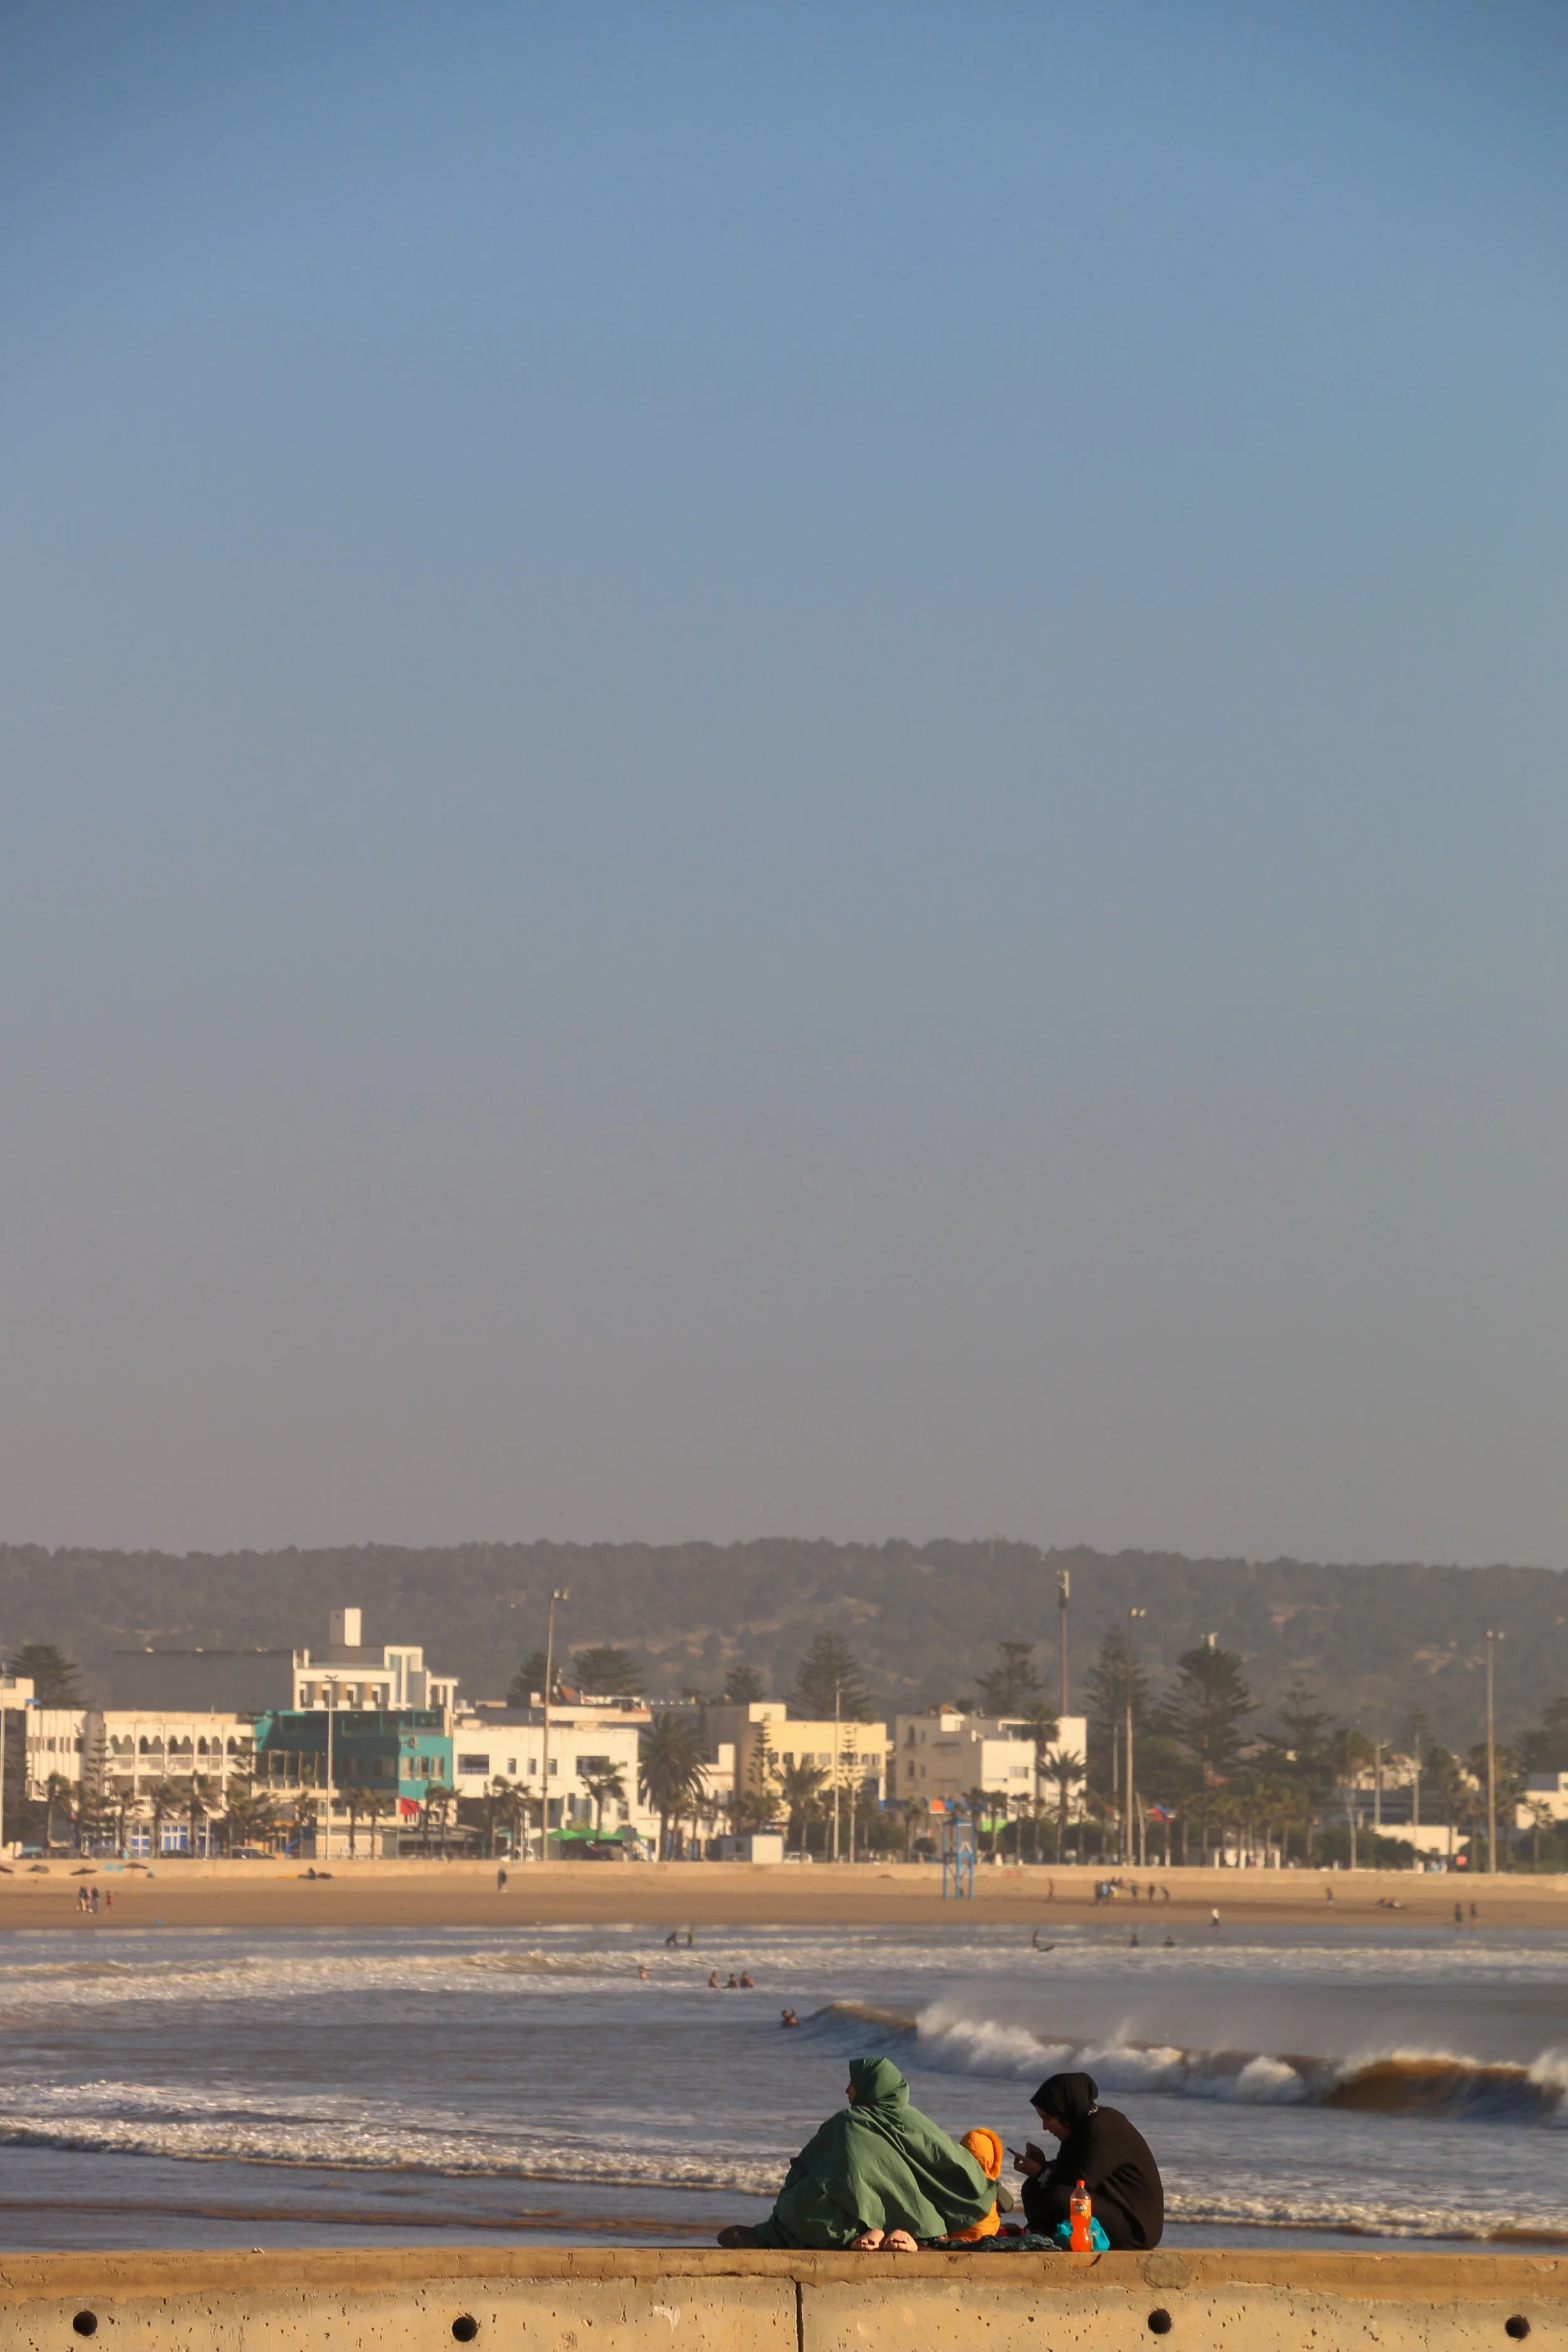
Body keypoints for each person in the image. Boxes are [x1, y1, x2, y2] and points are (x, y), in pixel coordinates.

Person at [716, 2056, 995, 2250]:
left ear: (870, 2087)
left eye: (854, 2084)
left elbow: (804, 2169)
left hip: (845, 2217)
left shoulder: (846, 2123)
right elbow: (951, 2160)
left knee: (801, 2207)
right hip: (913, 2216)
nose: (847, 2090)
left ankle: (865, 2233)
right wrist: (987, 2189)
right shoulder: (917, 2123)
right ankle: (900, 2231)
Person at [1014, 2070, 1163, 2250]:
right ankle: (1041, 2235)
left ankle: (1043, 2236)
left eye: (1048, 2119)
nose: (1045, 2127)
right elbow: (1068, 2169)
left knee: (1060, 2197)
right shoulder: (1081, 2126)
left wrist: (1041, 2171)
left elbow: (1080, 2181)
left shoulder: (1101, 2129)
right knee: (1033, 2187)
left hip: (1136, 2229)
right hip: (1110, 2207)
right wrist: (1043, 2166)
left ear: (1064, 2111)